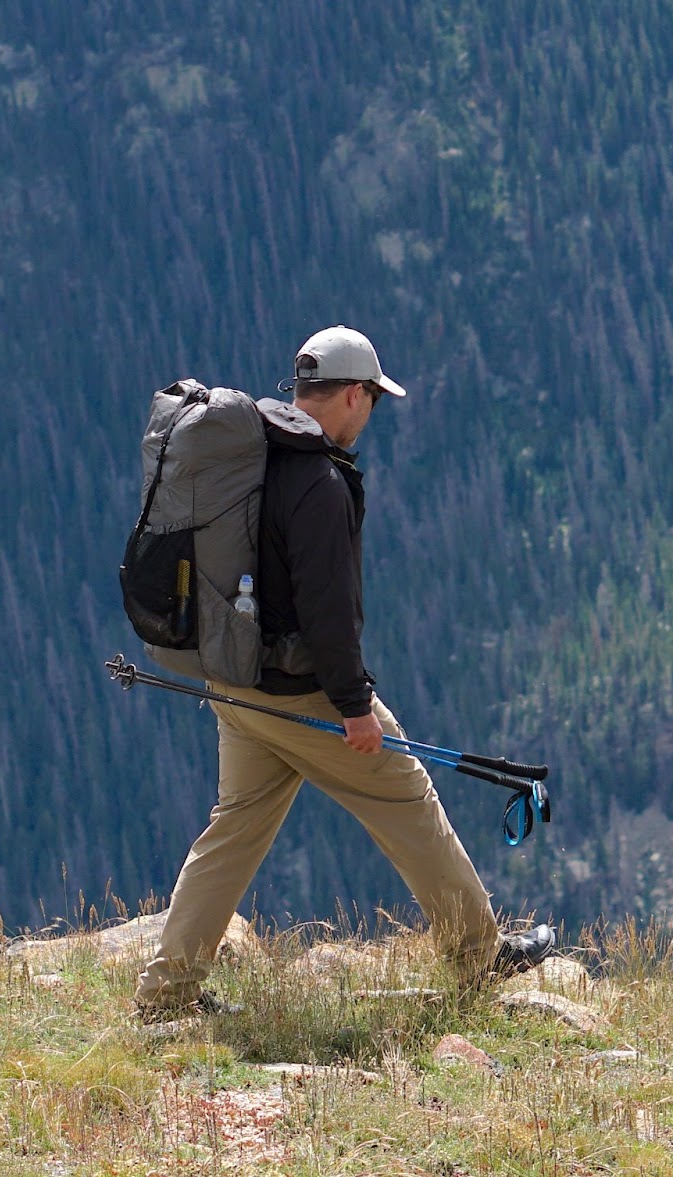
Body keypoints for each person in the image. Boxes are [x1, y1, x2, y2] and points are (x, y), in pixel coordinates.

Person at [134, 325, 554, 1019]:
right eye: (374, 400)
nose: (371, 416)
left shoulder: (254, 452)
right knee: (406, 797)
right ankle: (479, 954)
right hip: (301, 692)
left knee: (233, 827)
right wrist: (355, 706)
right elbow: (329, 610)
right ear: (355, 395)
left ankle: (166, 995)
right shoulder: (321, 482)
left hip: (232, 681)